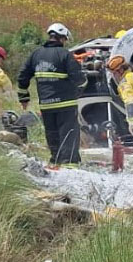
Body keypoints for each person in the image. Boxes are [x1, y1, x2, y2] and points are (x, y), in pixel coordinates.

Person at [17, 23, 86, 167]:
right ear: (62, 38)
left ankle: (55, 160)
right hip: (66, 103)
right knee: (69, 133)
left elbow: (23, 76)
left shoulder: (36, 54)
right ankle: (70, 164)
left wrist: (24, 97)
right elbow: (79, 78)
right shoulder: (65, 54)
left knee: (52, 133)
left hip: (46, 104)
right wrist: (81, 88)